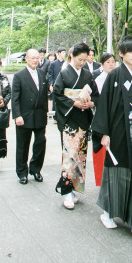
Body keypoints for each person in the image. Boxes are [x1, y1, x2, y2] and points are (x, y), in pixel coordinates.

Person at [91, 36, 132, 245]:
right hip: (118, 132)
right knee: (115, 173)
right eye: (130, 51)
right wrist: (104, 133)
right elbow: (104, 106)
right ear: (121, 54)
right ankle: (109, 212)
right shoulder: (114, 76)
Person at [53, 43, 98, 209]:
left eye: (85, 60)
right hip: (70, 120)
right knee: (70, 155)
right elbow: (57, 94)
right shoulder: (64, 73)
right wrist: (74, 103)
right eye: (80, 60)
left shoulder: (87, 74)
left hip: (83, 119)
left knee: (80, 156)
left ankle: (72, 188)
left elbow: (96, 94)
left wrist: (90, 103)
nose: (82, 63)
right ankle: (65, 191)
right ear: (72, 56)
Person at [12, 49, 50, 184]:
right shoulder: (19, 75)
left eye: (37, 58)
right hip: (24, 115)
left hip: (39, 115)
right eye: (32, 58)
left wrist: (46, 112)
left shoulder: (42, 73)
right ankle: (22, 172)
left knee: (40, 142)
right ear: (26, 59)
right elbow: (15, 98)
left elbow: (44, 95)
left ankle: (35, 169)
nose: (35, 60)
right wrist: (17, 115)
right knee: (22, 145)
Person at [91, 52, 116, 186]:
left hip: (117, 118)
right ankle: (102, 179)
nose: (111, 64)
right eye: (108, 62)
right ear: (102, 65)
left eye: (113, 61)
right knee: (102, 148)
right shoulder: (99, 80)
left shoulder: (119, 77)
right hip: (102, 118)